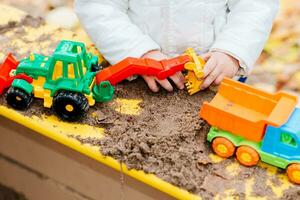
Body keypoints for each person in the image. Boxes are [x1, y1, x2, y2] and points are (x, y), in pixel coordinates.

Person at [75, 0, 279, 92]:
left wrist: (232, 51)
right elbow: (99, 7)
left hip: (216, 69)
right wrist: (138, 52)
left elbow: (255, 6)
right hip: (139, 72)